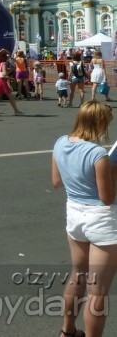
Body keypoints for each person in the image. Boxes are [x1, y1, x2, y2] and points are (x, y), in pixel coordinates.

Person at [51, 101, 117, 337]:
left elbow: (57, 182)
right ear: (99, 123)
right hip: (100, 220)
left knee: (77, 275)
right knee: (98, 291)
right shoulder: (98, 154)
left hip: (75, 214)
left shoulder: (60, 143)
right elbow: (107, 198)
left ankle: (67, 331)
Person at [0, 49, 25, 116]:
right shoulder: (3, 63)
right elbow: (4, 74)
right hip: (2, 80)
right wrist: (10, 77)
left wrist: (0, 52)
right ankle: (16, 111)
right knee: (10, 96)